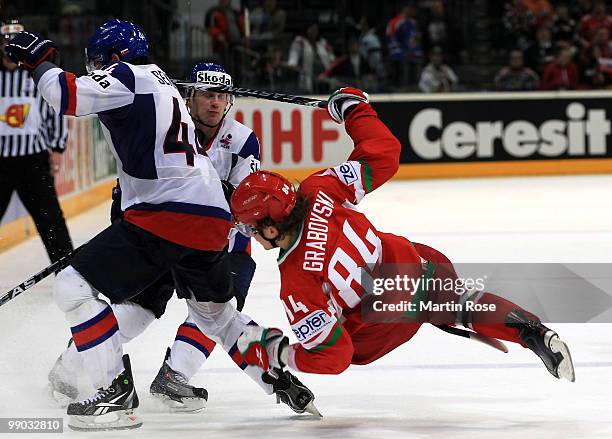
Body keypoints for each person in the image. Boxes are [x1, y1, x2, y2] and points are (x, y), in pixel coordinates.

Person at [5, 19, 276, 431]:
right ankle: (278, 370)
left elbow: (65, 95)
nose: (97, 70)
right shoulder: (162, 82)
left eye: (99, 63)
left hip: (167, 214)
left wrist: (40, 59)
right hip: (208, 221)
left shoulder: (127, 75)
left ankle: (111, 392)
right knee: (211, 312)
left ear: (114, 57)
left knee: (73, 287)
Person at [229, 87, 575, 388]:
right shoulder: (319, 189)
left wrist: (279, 353)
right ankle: (530, 330)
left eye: (253, 228)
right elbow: (383, 153)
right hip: (418, 264)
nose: (253, 236)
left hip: (389, 322)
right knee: (448, 297)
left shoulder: (296, 281)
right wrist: (355, 111)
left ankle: (438, 310)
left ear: (271, 228)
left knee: (348, 345)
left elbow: (334, 358)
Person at [47, 62, 316, 416]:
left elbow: (244, 202)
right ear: (190, 96)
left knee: (219, 310)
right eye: (207, 94)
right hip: (164, 230)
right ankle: (71, 366)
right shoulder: (166, 120)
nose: (214, 103)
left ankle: (175, 374)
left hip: (221, 240)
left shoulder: (242, 139)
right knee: (139, 309)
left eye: (221, 96)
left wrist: (198, 190)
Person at [0, 20, 72, 264]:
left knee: (51, 220)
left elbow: (56, 109)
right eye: (5, 42)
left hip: (34, 161)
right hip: (0, 163)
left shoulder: (37, 76)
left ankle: (68, 270)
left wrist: (58, 148)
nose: (9, 48)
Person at [287, 23, 335, 93]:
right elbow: (294, 55)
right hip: (308, 77)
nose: (313, 31)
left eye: (315, 30)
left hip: (324, 78)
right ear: (306, 29)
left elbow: (332, 57)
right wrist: (292, 63)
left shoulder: (322, 42)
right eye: (311, 29)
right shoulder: (300, 41)